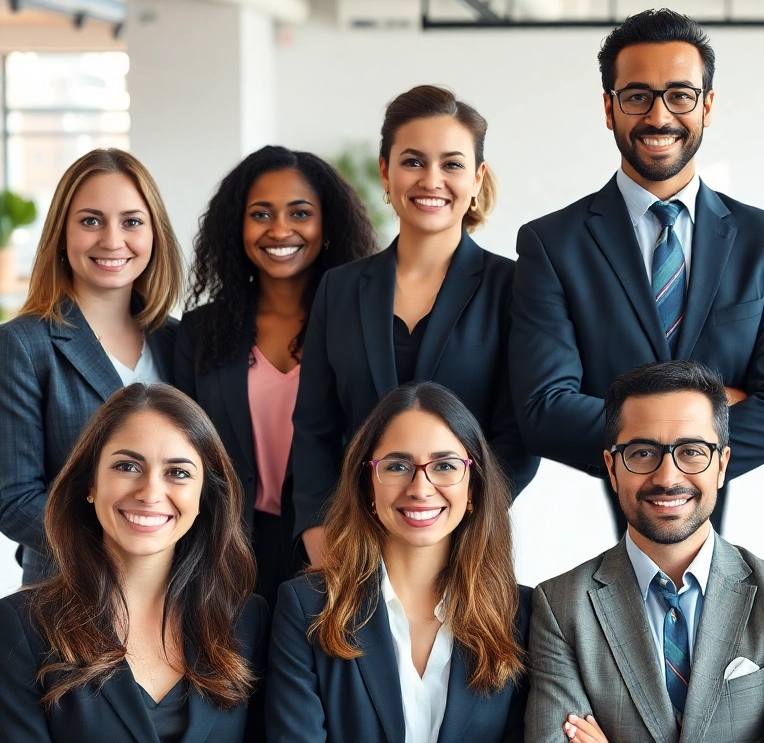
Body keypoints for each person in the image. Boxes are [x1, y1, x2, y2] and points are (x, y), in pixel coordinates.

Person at [511, 9, 764, 536]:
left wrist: (642, 446)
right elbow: (545, 410)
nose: (659, 116)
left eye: (679, 95)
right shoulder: (552, 245)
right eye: (637, 96)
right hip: (598, 537)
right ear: (609, 108)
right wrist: (709, 422)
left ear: (707, 105)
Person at [292, 85, 538, 566]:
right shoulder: (339, 289)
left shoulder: (513, 287)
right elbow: (314, 430)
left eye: (451, 164)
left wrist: (460, 520)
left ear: (476, 177)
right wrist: (320, 535)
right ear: (385, 171)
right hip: (350, 547)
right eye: (413, 161)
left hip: (465, 546)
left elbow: (520, 434)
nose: (431, 180)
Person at [525, 361, 764, 743]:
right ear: (612, 467)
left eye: (691, 452)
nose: (668, 477)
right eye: (641, 453)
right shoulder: (559, 607)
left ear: (721, 465)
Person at [0, 383, 268, 742]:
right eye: (127, 466)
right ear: (90, 484)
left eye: (178, 472)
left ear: (204, 496)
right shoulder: (20, 625)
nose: (150, 493)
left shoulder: (248, 619)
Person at [268, 381, 530, 743]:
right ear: (368, 488)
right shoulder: (305, 607)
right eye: (396, 466)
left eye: (445, 466)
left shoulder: (522, 615)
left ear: (473, 489)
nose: (420, 488)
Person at [174, 145, 379, 606]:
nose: (280, 230)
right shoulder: (201, 332)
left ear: (328, 225)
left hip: (339, 546)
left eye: (300, 212)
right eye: (261, 214)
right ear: (237, 227)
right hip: (224, 553)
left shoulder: (362, 327)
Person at [0, 148, 185, 584]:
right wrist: (131, 536)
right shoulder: (23, 345)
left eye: (132, 221)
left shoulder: (181, 340)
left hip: (176, 593)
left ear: (154, 232)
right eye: (90, 220)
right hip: (69, 594)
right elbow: (14, 500)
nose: (112, 240)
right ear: (61, 233)